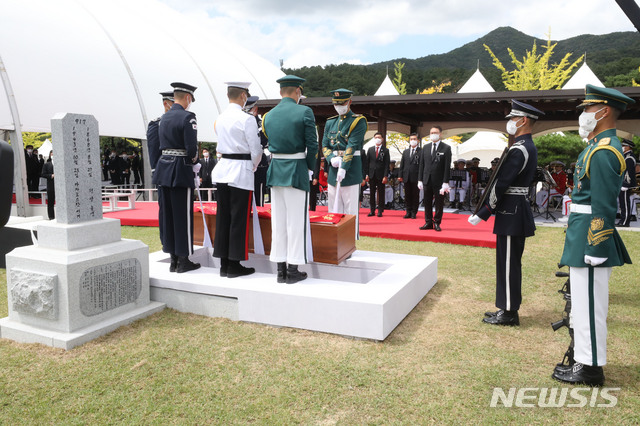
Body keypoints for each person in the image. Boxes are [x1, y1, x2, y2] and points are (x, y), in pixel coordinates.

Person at [552, 85, 634, 387]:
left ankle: (590, 367)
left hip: (591, 238)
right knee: (585, 304)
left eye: (588, 109)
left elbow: (603, 203)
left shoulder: (604, 150)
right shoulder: (596, 146)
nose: (584, 115)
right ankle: (584, 359)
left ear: (604, 111)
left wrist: (597, 245)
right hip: (581, 233)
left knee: (590, 305)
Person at [468, 100, 543, 326]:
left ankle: (509, 312)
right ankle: (505, 307)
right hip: (512, 211)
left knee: (509, 264)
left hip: (512, 212)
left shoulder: (520, 149)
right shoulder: (522, 146)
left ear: (524, 120)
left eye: (513, 118)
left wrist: (484, 211)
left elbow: (501, 184)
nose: (510, 122)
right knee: (506, 262)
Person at [262, 75, 318, 283]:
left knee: (278, 221)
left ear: (280, 92)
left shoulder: (268, 116)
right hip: (296, 169)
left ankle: (280, 270)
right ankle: (292, 270)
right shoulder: (305, 111)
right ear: (298, 92)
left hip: (276, 169)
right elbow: (312, 145)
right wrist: (310, 168)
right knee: (296, 221)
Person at [212, 82, 263, 278]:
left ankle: (224, 264)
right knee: (238, 219)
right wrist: (254, 165)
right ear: (243, 96)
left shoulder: (220, 117)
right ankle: (234, 264)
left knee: (224, 218)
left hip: (223, 170)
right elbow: (256, 149)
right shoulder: (247, 119)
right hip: (240, 171)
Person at [153, 81, 201, 274]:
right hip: (181, 169)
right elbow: (191, 149)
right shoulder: (188, 117)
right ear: (188, 97)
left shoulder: (163, 118)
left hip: (164, 169)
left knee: (169, 216)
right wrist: (195, 160)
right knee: (183, 216)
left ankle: (173, 258)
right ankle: (183, 259)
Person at [322, 89, 367, 223]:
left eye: (342, 103)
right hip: (333, 170)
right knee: (333, 210)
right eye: (336, 104)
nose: (339, 107)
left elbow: (352, 145)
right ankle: (334, 240)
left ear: (349, 102)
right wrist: (331, 159)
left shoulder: (358, 121)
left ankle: (349, 241)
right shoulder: (330, 122)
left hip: (351, 170)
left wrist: (344, 167)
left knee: (350, 211)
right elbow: (324, 145)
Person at [418, 126, 451, 231]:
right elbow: (421, 165)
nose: (433, 134)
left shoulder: (446, 148)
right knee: (426, 202)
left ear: (440, 134)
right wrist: (420, 179)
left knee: (439, 203)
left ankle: (437, 222)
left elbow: (447, 166)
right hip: (427, 179)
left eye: (435, 132)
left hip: (439, 181)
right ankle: (428, 222)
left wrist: (445, 182)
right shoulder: (426, 147)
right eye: (431, 132)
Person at [244, 95, 270, 207]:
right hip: (244, 160)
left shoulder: (261, 125)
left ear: (255, 109)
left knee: (258, 193)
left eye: (249, 109)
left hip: (258, 163)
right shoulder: (241, 121)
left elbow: (262, 141)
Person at [364, 132, 390, 217]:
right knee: (372, 193)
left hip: (381, 174)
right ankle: (372, 210)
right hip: (372, 174)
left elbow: (387, 164)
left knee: (381, 192)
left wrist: (385, 175)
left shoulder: (385, 150)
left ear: (382, 139)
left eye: (379, 137)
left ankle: (380, 210)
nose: (377, 138)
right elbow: (367, 163)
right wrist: (366, 174)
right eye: (376, 137)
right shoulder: (370, 149)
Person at [398, 133, 422, 219]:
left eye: (414, 139)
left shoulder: (421, 151)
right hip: (406, 176)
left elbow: (422, 166)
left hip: (416, 177)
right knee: (407, 195)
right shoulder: (406, 152)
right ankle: (408, 211)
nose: (412, 141)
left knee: (415, 195)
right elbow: (402, 164)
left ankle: (414, 212)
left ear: (418, 141)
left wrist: (421, 178)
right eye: (411, 139)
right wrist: (400, 175)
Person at [617, 139, 636, 227]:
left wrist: (626, 184)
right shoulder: (625, 156)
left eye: (624, 146)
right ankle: (622, 220)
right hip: (621, 184)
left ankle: (625, 222)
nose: (622, 147)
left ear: (628, 147)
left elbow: (629, 172)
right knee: (622, 204)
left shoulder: (629, 157)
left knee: (625, 204)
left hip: (625, 185)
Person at [40, 150, 55, 220]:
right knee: (50, 202)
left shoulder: (61, 163)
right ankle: (51, 217)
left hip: (60, 186)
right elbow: (43, 174)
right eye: (52, 154)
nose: (53, 155)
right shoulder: (46, 164)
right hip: (51, 185)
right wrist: (51, 176)